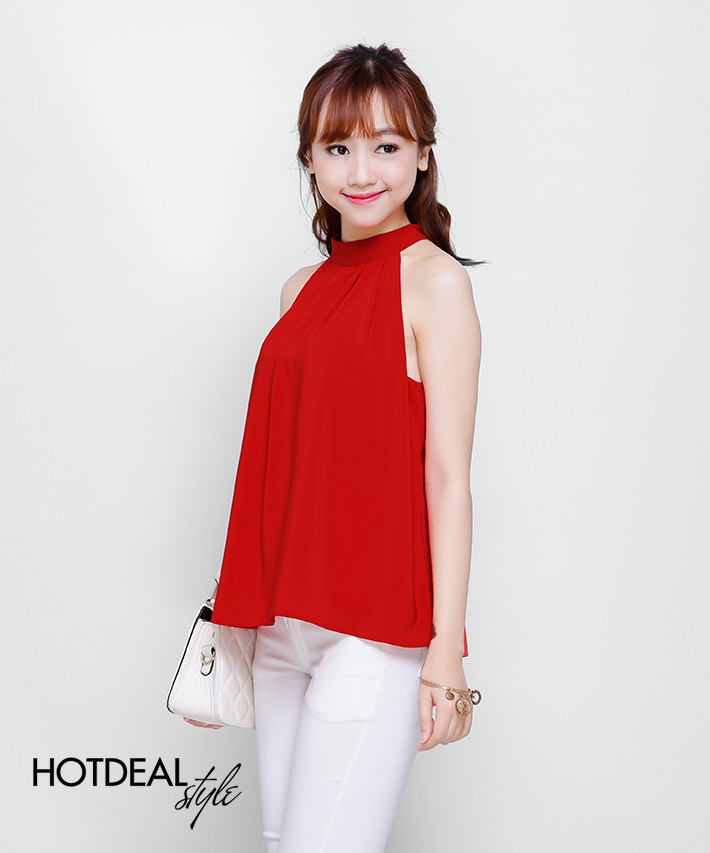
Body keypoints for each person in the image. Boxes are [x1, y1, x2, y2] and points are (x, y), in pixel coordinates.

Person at [185, 42, 484, 853]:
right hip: (281, 627)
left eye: (386, 145)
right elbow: (284, 467)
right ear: (310, 159)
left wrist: (446, 652)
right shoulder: (300, 290)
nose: (361, 170)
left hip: (373, 632)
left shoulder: (436, 284)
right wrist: (234, 624)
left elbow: (448, 477)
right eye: (337, 146)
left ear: (422, 156)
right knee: (285, 842)